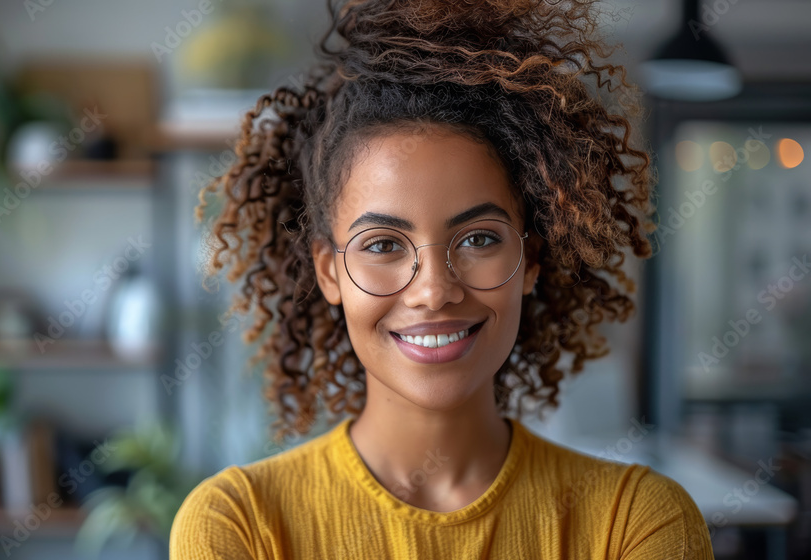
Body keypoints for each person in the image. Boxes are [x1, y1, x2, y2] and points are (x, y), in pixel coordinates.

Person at [171, 0, 715, 558]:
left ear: (531, 261)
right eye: (382, 245)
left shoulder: (633, 524)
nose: (433, 290)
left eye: (479, 239)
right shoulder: (239, 526)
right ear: (330, 271)